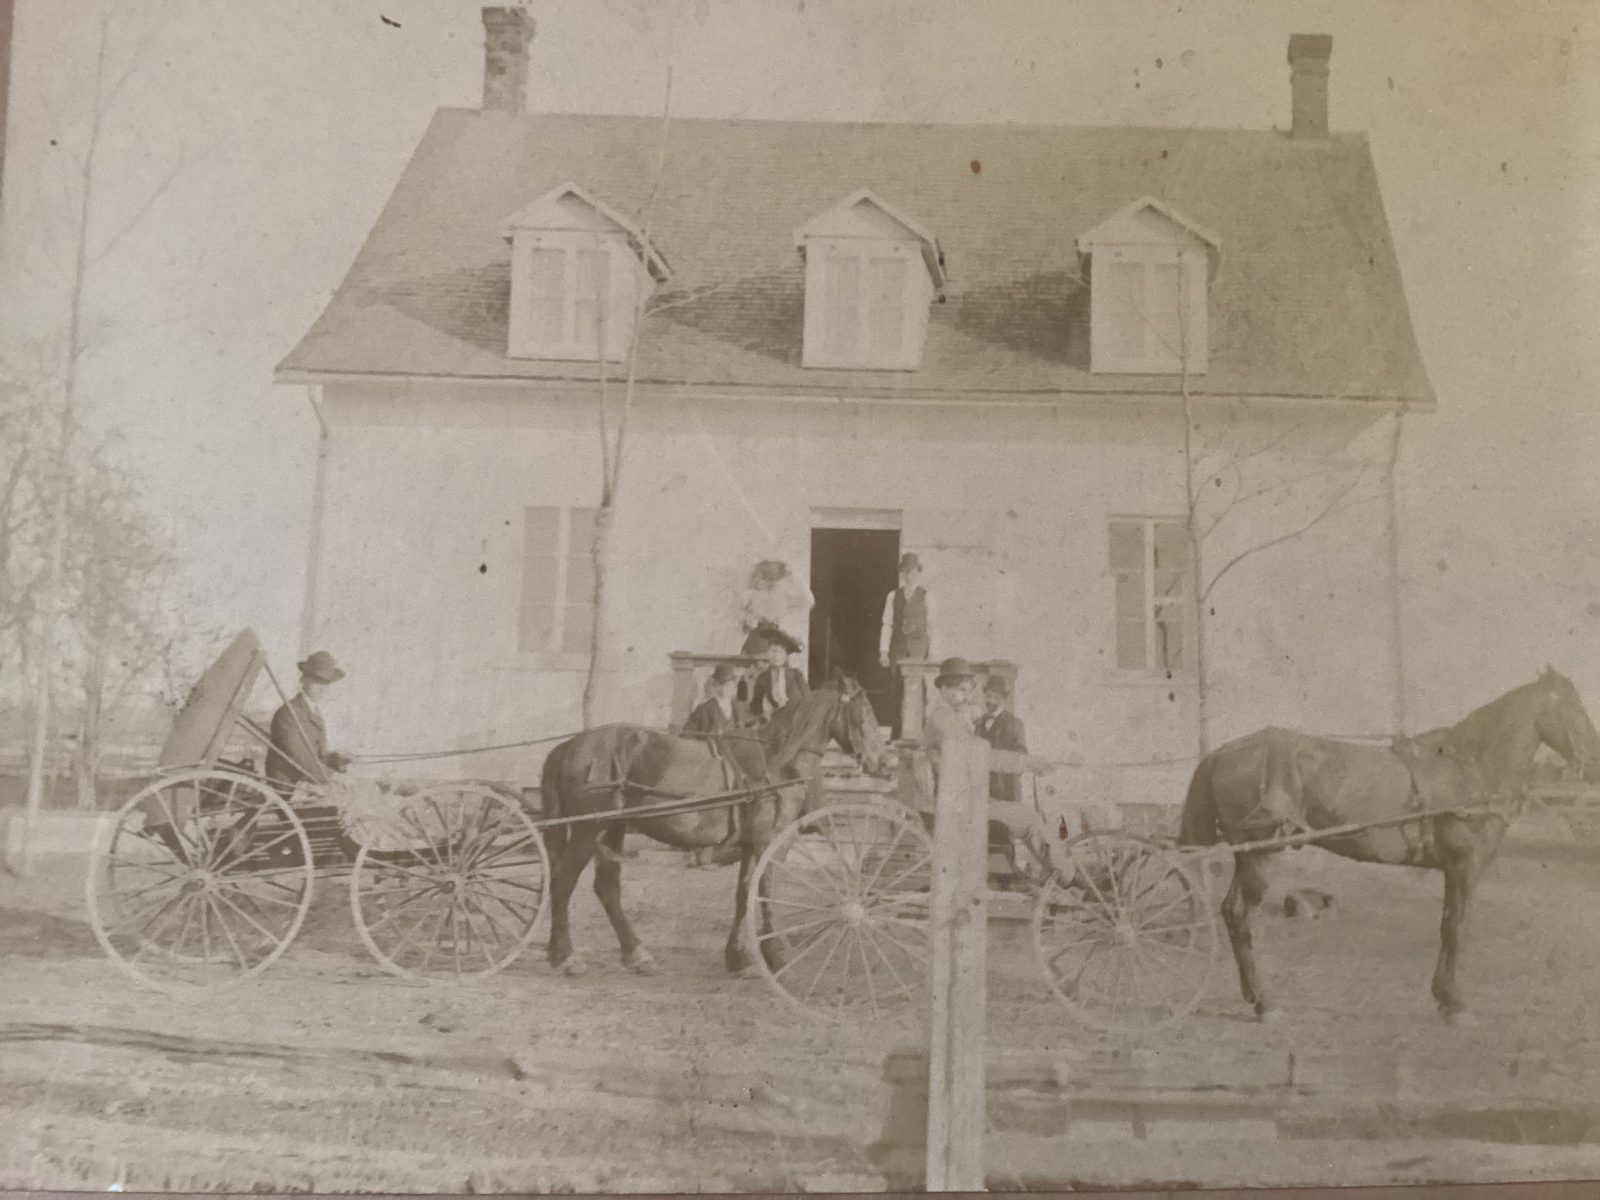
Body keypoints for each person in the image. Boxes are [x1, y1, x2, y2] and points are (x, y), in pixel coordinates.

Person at [683, 663, 750, 868]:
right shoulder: (704, 710)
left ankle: (738, 840)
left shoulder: (741, 708)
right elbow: (686, 735)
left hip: (738, 762)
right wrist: (706, 742)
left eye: (728, 684)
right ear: (713, 686)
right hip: (712, 763)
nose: (723, 689)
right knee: (708, 805)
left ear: (734, 686)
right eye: (719, 685)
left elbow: (750, 735)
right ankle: (703, 852)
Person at [265, 650, 353, 792]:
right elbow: (300, 757)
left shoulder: (312, 711)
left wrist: (337, 759)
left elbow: (318, 754)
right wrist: (331, 777)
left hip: (304, 781)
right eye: (318, 682)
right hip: (287, 787)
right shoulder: (288, 713)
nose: (323, 689)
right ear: (303, 680)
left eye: (327, 683)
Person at [739, 560, 814, 656]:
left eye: (760, 578)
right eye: (755, 578)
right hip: (755, 639)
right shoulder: (751, 596)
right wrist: (747, 622)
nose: (756, 581)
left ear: (770, 580)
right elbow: (744, 626)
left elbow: (808, 600)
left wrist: (794, 574)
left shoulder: (781, 597)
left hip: (774, 640)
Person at [974, 675, 1027, 805]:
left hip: (1006, 790)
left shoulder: (1015, 724)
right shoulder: (978, 723)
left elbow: (1021, 758)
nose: (991, 701)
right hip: (982, 789)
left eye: (996, 697)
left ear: (1003, 699)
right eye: (988, 696)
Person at [878, 553, 933, 669]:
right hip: (898, 650)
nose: (909, 576)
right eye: (905, 572)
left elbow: (933, 626)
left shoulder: (927, 596)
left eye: (912, 572)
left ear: (918, 572)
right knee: (896, 683)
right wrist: (884, 652)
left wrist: (933, 654)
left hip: (919, 650)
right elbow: (887, 625)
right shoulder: (892, 596)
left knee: (917, 683)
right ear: (902, 573)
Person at [748, 629, 808, 720]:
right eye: (773, 651)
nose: (776, 656)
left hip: (797, 722)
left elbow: (808, 699)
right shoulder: (763, 678)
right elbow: (755, 706)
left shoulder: (796, 675)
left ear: (786, 656)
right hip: (774, 724)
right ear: (768, 652)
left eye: (780, 652)